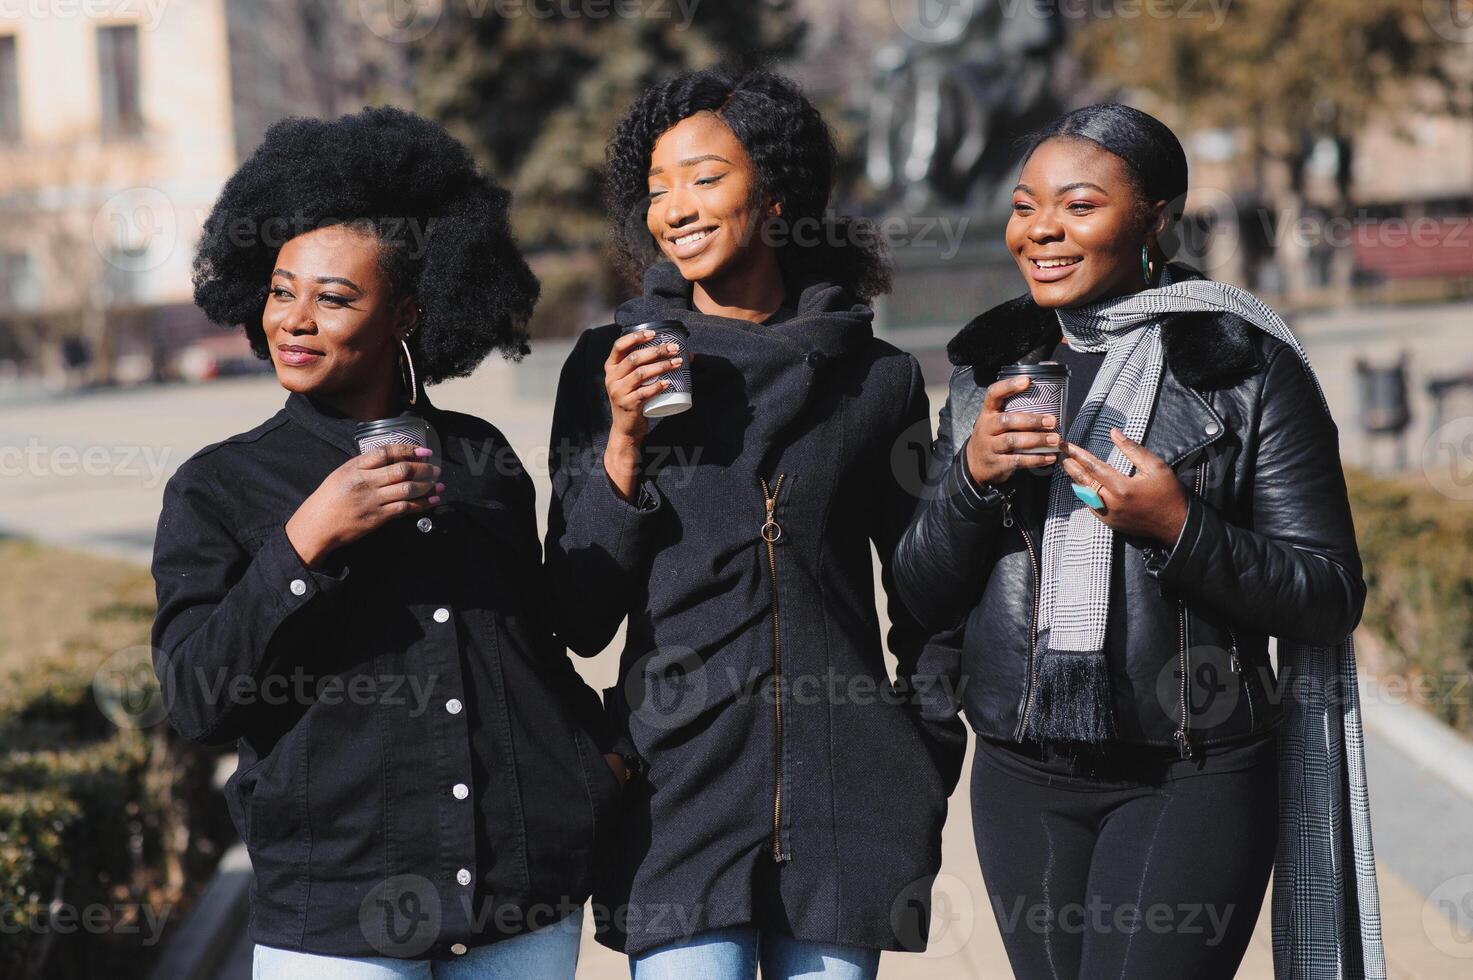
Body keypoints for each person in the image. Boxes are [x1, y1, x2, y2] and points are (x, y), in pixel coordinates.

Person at [893, 103, 1381, 978]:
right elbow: (920, 595)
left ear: (1154, 218)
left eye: (1078, 206)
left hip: (1189, 772)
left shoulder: (1240, 365)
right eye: (1023, 205)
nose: (1041, 229)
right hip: (1021, 768)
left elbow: (1326, 592)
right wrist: (969, 479)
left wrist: (1179, 529)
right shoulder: (988, 369)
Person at [151, 106, 622, 979]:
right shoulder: (219, 486)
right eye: (282, 289)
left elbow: (537, 644)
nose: (295, 319)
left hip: (517, 898)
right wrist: (303, 544)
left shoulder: (480, 456)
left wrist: (596, 762)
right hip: (336, 910)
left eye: (334, 297)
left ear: (404, 313)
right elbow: (195, 698)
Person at [544, 68, 966, 980]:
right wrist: (621, 441)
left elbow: (926, 589)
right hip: (674, 795)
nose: (674, 208)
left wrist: (922, 752)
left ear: (773, 196)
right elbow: (576, 615)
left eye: (704, 178)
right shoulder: (606, 366)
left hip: (847, 799)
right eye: (656, 189)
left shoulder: (876, 378)